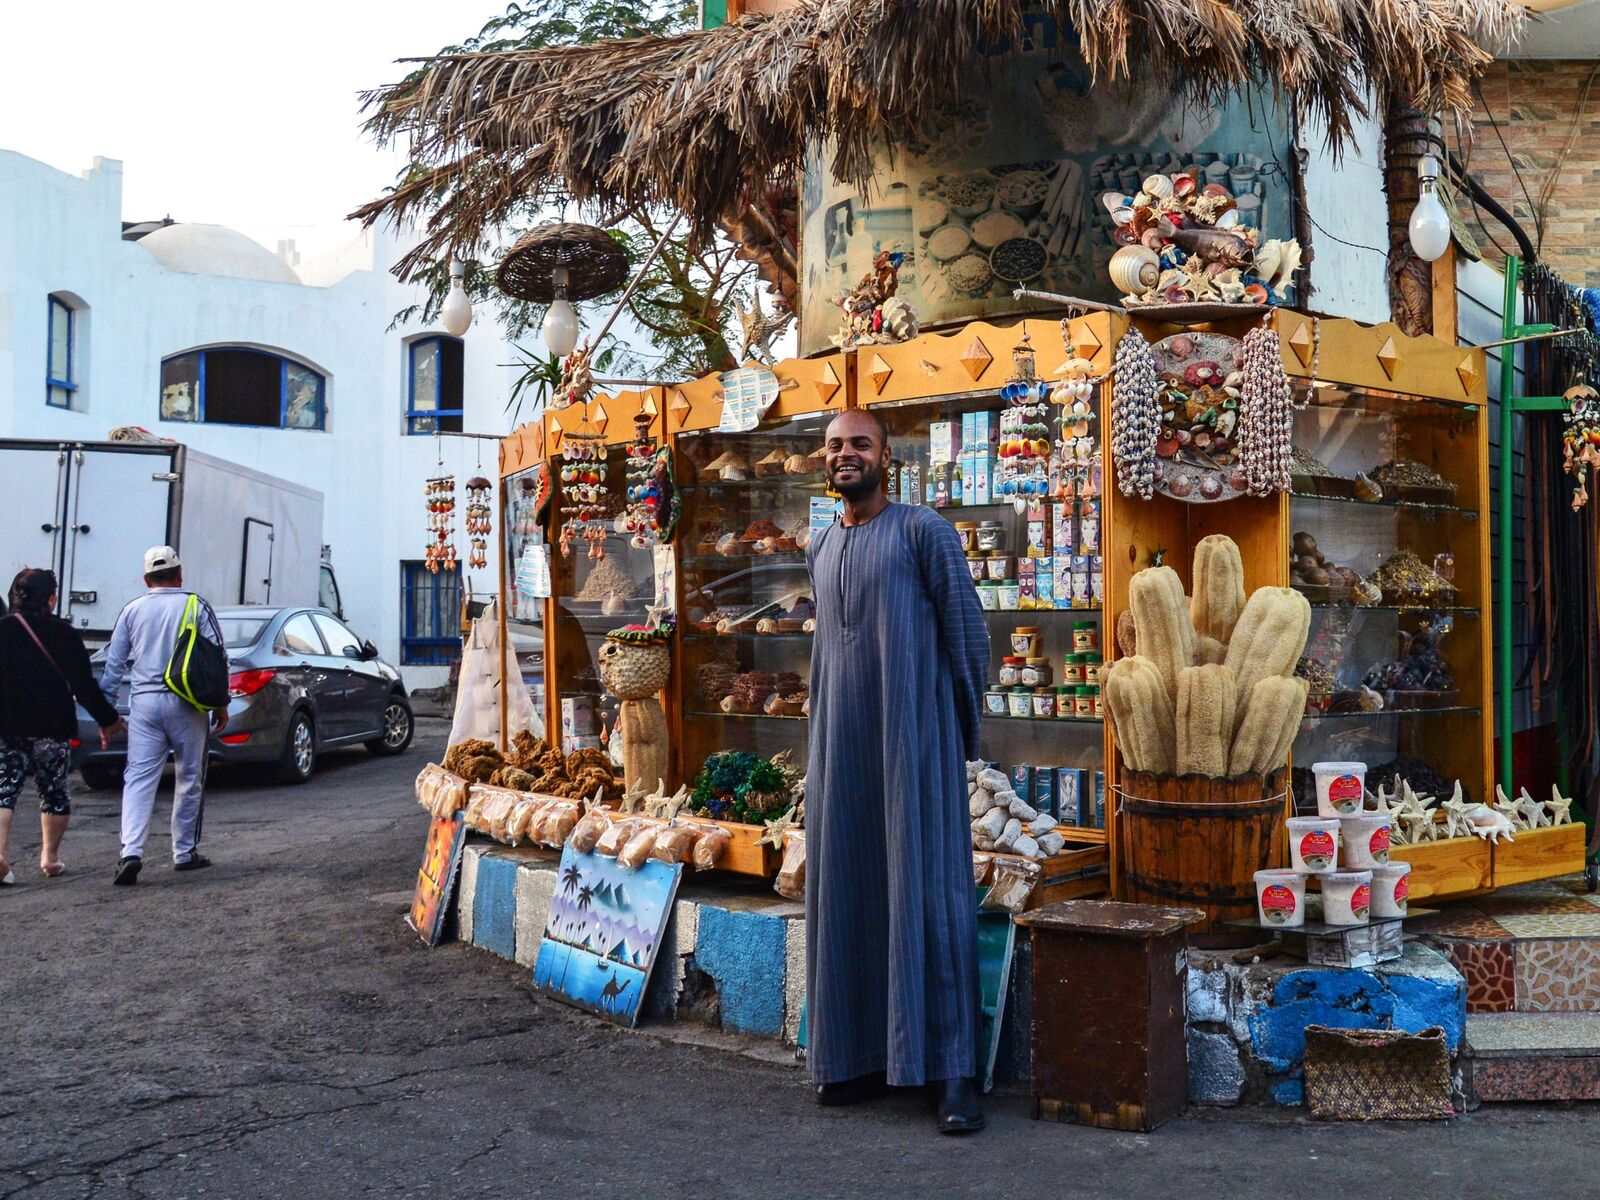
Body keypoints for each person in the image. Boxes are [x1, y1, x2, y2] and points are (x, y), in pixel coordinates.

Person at [804, 408, 991, 1135]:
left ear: (887, 456)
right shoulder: (821, 544)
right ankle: (856, 1058)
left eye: (858, 443)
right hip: (842, 751)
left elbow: (969, 636)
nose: (845, 455)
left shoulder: (924, 531)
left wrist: (954, 736)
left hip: (916, 744)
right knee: (849, 889)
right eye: (834, 446)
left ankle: (952, 1076)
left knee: (931, 897)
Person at [100, 546, 226, 885]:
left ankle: (131, 852)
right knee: (190, 776)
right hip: (187, 705)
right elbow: (217, 657)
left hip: (144, 705)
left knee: (139, 778)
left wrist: (106, 713)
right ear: (180, 573)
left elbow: (114, 665)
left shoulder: (132, 610)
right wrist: (220, 703)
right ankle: (184, 853)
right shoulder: (196, 605)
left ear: (146, 579)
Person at [0, 569, 125, 883]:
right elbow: (84, 686)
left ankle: (0, 855)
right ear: (52, 599)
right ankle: (50, 858)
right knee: (54, 792)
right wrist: (108, 720)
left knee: (3, 791)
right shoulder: (65, 634)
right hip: (51, 726)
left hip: (5, 725)